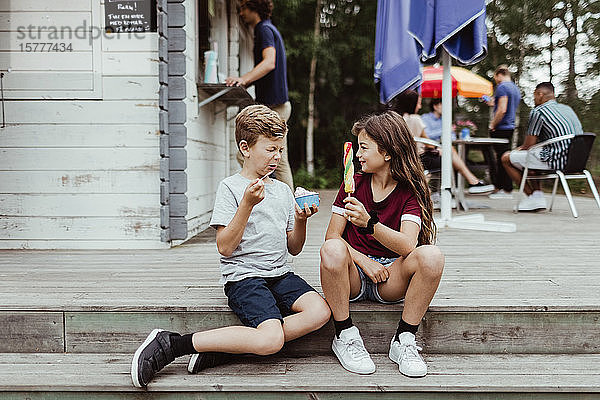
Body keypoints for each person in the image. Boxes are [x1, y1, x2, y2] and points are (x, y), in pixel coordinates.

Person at [130, 105, 331, 388]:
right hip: (245, 277)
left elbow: (294, 248)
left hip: (280, 274)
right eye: (270, 149)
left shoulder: (283, 191)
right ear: (246, 148)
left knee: (320, 312)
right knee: (271, 339)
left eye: (280, 150)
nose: (277, 157)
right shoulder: (231, 188)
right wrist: (247, 205)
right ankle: (173, 344)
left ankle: (227, 347)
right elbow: (225, 247)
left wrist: (301, 221)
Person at [319, 111, 445, 378]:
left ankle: (404, 340)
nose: (358, 155)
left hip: (390, 279)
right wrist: (364, 261)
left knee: (431, 256)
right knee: (332, 250)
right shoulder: (353, 183)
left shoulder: (410, 190)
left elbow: (407, 245)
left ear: (386, 152)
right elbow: (332, 237)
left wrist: (369, 223)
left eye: (364, 147)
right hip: (353, 274)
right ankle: (344, 333)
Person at [226, 0, 294, 190]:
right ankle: (289, 206)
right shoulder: (268, 29)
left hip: (275, 107)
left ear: (254, 8)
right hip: (276, 105)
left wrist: (243, 79)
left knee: (248, 155)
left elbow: (269, 62)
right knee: (279, 161)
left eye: (243, 9)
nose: (241, 14)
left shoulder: (263, 29)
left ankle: (276, 200)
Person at [390, 90, 494, 195]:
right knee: (449, 152)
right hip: (419, 160)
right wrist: (436, 148)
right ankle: (472, 182)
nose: (420, 106)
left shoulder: (396, 120)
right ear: (411, 104)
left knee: (448, 151)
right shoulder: (415, 119)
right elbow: (429, 143)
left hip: (403, 159)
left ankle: (472, 182)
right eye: (419, 103)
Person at [501, 82, 583, 212]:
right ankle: (537, 196)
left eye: (534, 96)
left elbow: (528, 146)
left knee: (506, 158)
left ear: (540, 94)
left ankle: (533, 197)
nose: (534, 100)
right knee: (535, 156)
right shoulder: (567, 109)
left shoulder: (538, 112)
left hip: (556, 159)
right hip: (575, 160)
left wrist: (514, 151)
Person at [487, 65, 521, 199]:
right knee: (505, 156)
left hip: (501, 128)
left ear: (499, 74)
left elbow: (502, 109)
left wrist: (492, 124)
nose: (496, 81)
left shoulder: (502, 87)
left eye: (496, 79)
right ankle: (506, 188)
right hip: (510, 127)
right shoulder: (515, 88)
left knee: (500, 159)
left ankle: (503, 188)